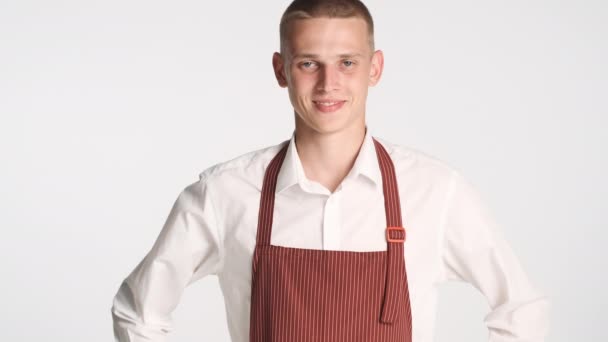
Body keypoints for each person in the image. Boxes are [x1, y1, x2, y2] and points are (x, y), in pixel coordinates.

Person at [111, 0, 550, 341]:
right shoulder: (225, 194)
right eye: (308, 63)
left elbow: (521, 308)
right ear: (281, 70)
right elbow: (138, 311)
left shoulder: (436, 192)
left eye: (346, 62)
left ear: (374, 68)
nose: (328, 84)